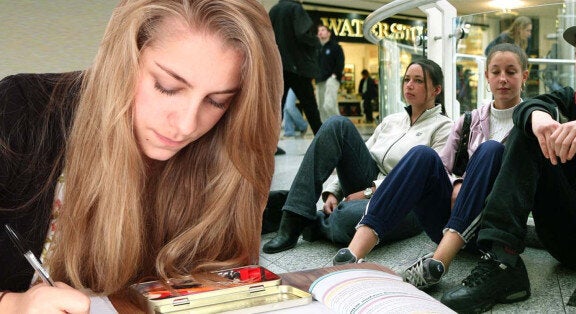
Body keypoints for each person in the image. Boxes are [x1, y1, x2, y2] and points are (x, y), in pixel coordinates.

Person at [0, 0, 282, 311]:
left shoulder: (224, 156)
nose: (187, 126)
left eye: (217, 102)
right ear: (123, 58)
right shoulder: (20, 110)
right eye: (167, 87)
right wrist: (12, 305)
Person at [440, 19, 576, 313]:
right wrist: (537, 116)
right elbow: (533, 105)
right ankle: (503, 261)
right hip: (567, 233)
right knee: (529, 130)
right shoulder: (567, 101)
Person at [333, 43, 529, 289]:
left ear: (524, 76)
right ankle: (352, 254)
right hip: (447, 221)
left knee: (490, 149)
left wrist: (464, 185)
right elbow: (442, 169)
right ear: (487, 77)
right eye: (496, 72)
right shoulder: (468, 121)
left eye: (511, 72)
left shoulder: (534, 122)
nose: (503, 79)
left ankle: (437, 264)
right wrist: (457, 184)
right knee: (422, 154)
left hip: (493, 231)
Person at [262, 58, 453, 254]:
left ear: (436, 90)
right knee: (337, 125)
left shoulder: (444, 127)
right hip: (368, 182)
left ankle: (309, 216)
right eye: (406, 79)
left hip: (407, 204)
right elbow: (363, 153)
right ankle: (293, 217)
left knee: (347, 219)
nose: (409, 85)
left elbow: (425, 181)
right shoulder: (392, 121)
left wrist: (369, 192)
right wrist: (333, 192)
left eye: (418, 81)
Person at [269, 0, 323, 135]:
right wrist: (316, 41)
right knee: (310, 107)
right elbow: (302, 33)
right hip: (297, 66)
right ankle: (324, 141)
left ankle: (270, 146)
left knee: (276, 108)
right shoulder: (295, 9)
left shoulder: (274, 10)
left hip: (278, 66)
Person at [316, 24, 345, 122]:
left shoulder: (335, 47)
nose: (320, 32)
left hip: (331, 79)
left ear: (329, 33)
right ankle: (326, 129)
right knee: (321, 108)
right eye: (319, 30)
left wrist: (334, 75)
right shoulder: (318, 49)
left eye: (323, 30)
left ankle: (340, 125)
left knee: (329, 105)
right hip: (319, 81)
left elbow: (340, 62)